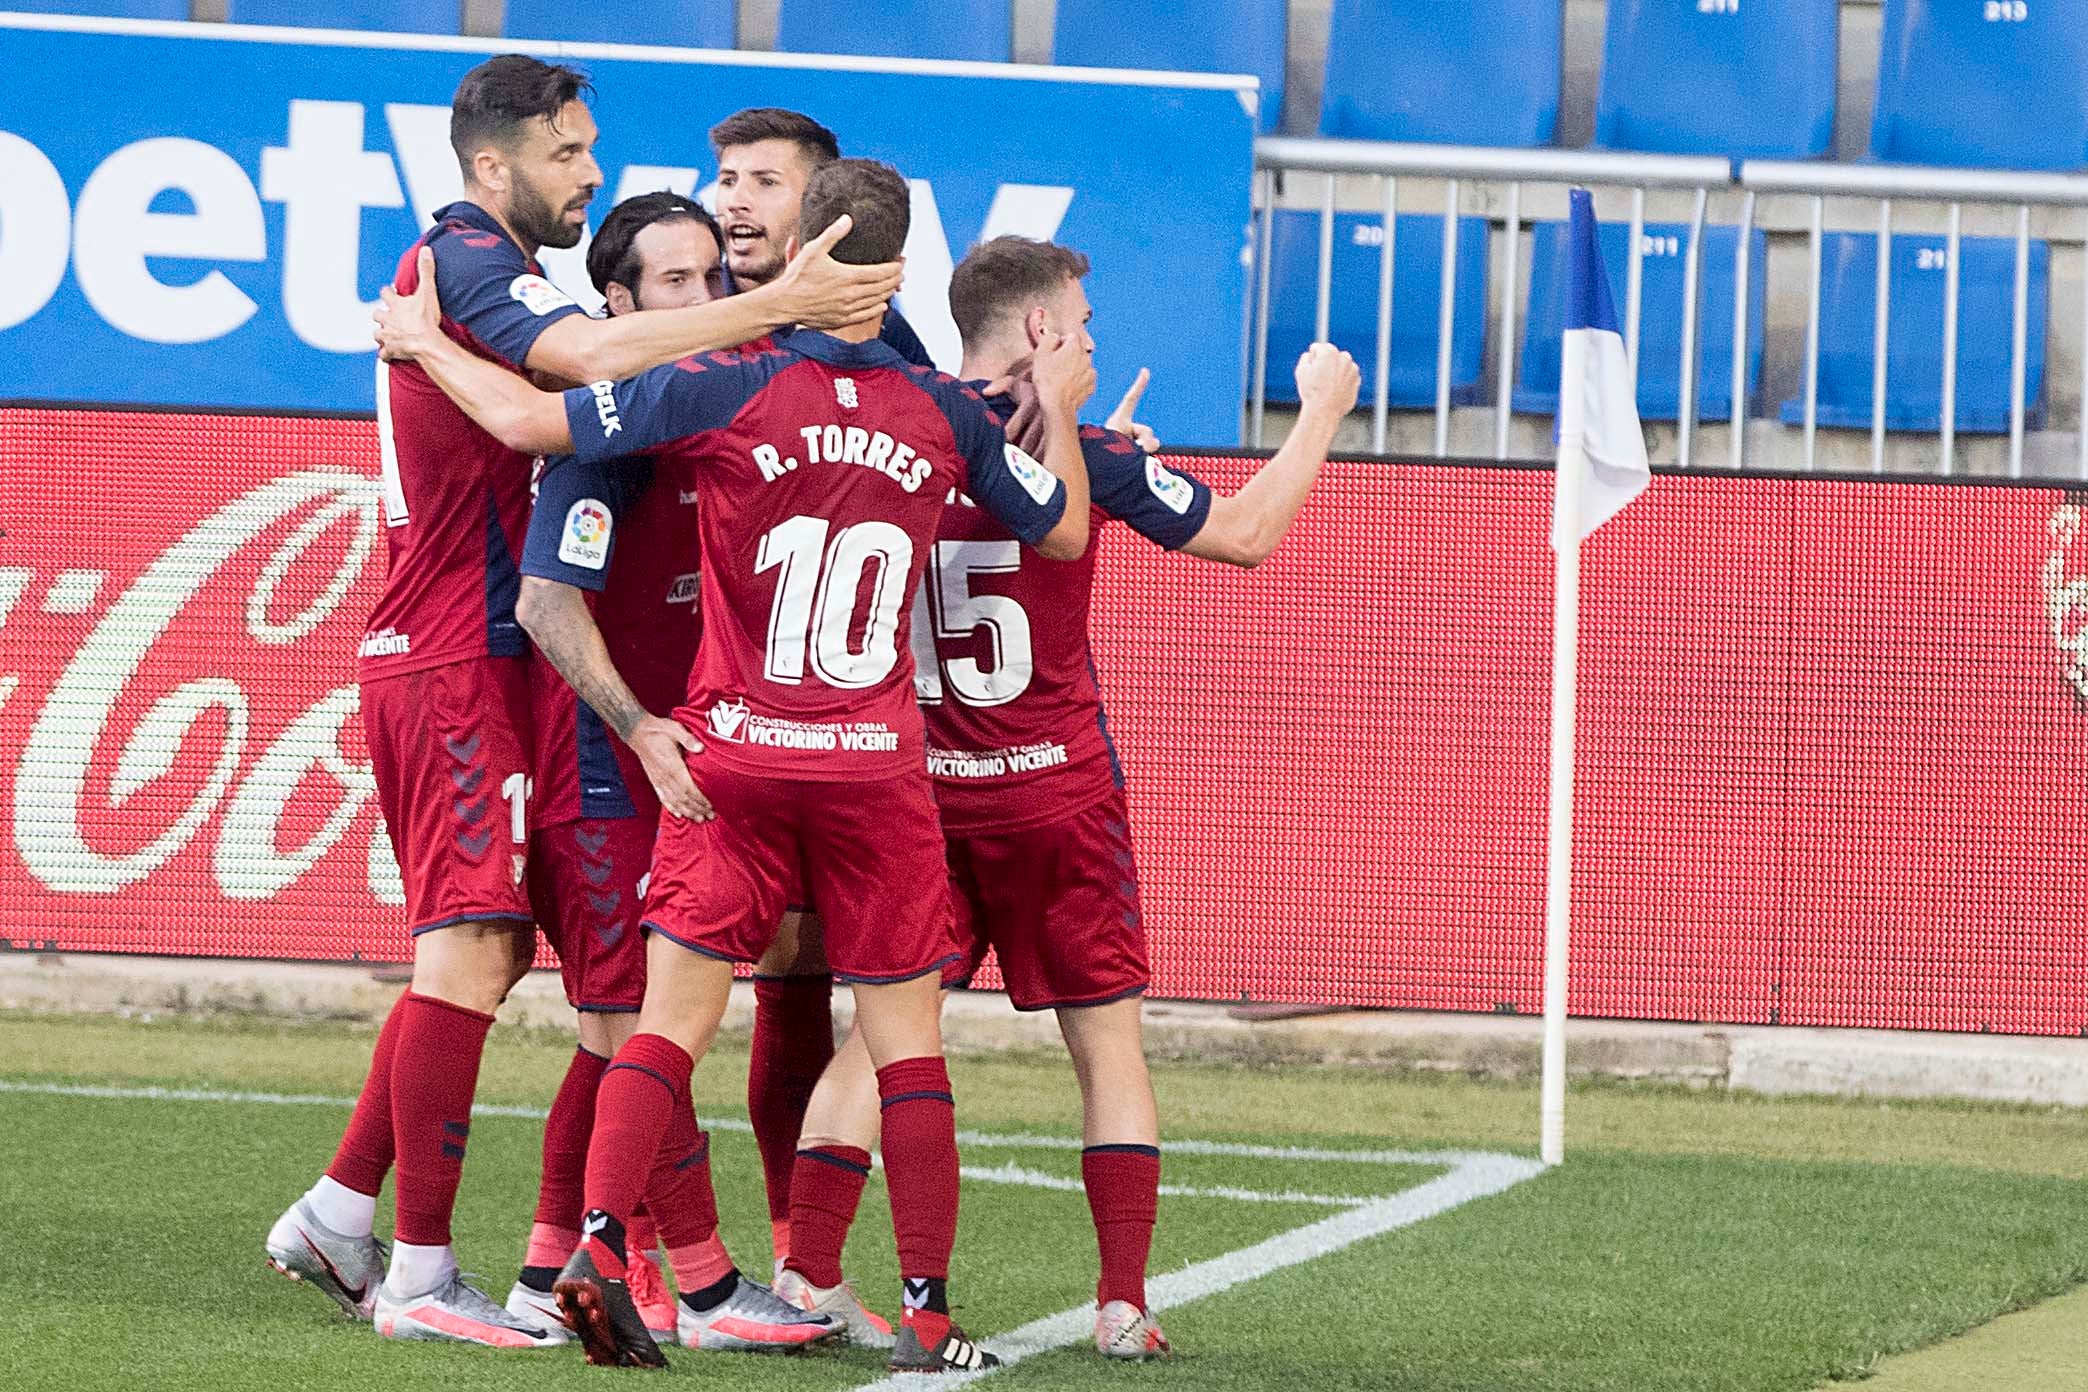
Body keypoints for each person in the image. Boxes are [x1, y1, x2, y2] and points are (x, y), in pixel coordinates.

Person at [371, 159, 1094, 1374]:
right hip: (873, 768)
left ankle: (597, 1250)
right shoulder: (942, 409)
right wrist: (1062, 409)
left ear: (799, 251)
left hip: (736, 757)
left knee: (665, 1027)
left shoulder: (722, 384)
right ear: (900, 274)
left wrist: (425, 343)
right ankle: (924, 1311)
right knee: (906, 1045)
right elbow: (1063, 526)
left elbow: (532, 421)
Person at [264, 53, 901, 1349]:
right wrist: (763, 305)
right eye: (569, 151)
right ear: (496, 165)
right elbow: (570, 383)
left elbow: (554, 382)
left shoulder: (500, 293)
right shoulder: (477, 266)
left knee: (589, 986)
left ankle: (365, 1216)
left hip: (540, 686)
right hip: (478, 661)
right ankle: (445, 1272)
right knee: (512, 962)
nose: (592, 167)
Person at [771, 237, 1361, 1360]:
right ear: (1039, 330)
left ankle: (807, 1273)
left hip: (921, 796)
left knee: (879, 1044)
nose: (1091, 339)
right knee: (1107, 1048)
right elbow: (1245, 534)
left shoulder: (897, 438)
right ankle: (1123, 1303)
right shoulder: (1088, 453)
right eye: (1079, 323)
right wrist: (1321, 410)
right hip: (1054, 797)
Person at [500, 191, 832, 1355]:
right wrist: (640, 727)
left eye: (715, 279)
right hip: (607, 767)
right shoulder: (619, 432)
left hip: (691, 765)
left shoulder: (728, 404)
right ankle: (698, 1285)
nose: (707, 302)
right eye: (675, 286)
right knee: (632, 1027)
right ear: (621, 307)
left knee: (616, 1038)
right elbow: (547, 602)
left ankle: (549, 1266)